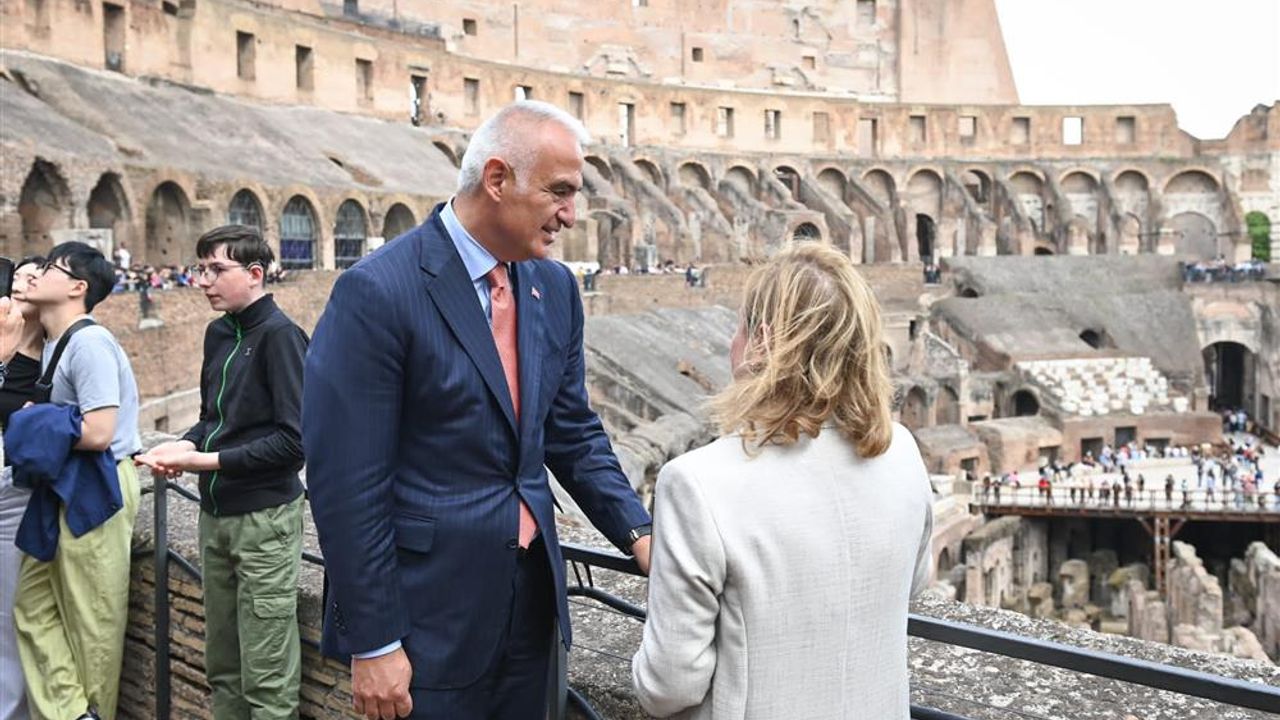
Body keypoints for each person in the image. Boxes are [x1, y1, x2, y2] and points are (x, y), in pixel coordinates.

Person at [303, 101, 653, 719]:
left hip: (532, 612)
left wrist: (637, 529)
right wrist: (375, 639)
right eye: (560, 192)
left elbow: (570, 430)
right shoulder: (379, 291)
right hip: (423, 621)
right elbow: (346, 484)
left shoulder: (556, 288)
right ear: (497, 180)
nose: (572, 214)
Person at [632, 242, 933, 719]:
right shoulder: (902, 452)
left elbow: (670, 683)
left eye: (739, 327)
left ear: (763, 342)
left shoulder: (698, 483)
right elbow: (915, 582)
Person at [136, 226, 308, 718]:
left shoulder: (282, 337)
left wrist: (201, 461)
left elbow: (294, 443)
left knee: (267, 678)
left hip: (264, 521)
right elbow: (215, 418)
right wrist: (183, 443)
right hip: (216, 515)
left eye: (216, 269)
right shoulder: (218, 332)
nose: (203, 281)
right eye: (200, 268)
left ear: (255, 274)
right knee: (224, 668)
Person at [12, 242, 142, 720]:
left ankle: (95, 712)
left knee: (93, 621)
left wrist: (37, 420)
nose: (37, 273)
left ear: (76, 287)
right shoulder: (55, 344)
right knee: (32, 606)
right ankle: (71, 712)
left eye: (49, 268)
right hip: (67, 484)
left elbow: (99, 430)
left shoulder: (89, 343)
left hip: (98, 484)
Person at [0, 258, 46, 720]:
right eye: (18, 277)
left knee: (12, 617)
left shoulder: (56, 351)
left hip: (19, 494)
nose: (24, 284)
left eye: (37, 276)